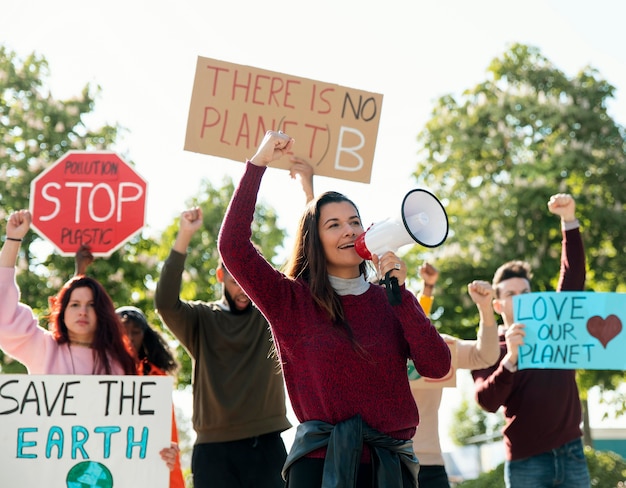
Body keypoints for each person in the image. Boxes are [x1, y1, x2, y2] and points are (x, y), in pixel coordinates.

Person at [217, 130, 452, 488]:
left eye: (355, 221)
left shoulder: (391, 300)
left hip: (390, 467)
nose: (349, 231)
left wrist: (402, 296)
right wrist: (258, 163)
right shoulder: (291, 300)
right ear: (315, 239)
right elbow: (233, 246)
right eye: (334, 224)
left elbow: (437, 365)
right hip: (320, 468)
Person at [0, 210, 178, 473]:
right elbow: (4, 314)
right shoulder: (42, 347)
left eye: (91, 305)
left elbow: (133, 435)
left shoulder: (120, 363)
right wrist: (13, 241)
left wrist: (163, 453)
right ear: (63, 311)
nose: (82, 311)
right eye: (74, 304)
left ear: (102, 313)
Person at [471, 193, 591, 488]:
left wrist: (569, 221)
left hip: (572, 452)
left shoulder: (554, 326)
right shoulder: (488, 345)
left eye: (526, 293)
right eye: (511, 295)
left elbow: (572, 279)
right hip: (526, 462)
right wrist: (511, 359)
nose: (520, 300)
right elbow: (486, 400)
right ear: (498, 305)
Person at [74, 244, 186, 487]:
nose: (129, 337)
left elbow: (167, 438)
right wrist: (80, 272)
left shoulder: (156, 380)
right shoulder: (95, 367)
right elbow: (72, 324)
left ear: (145, 338)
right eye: (123, 331)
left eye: (135, 332)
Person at [410, 263, 500, 488]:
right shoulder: (370, 351)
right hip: (383, 462)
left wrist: (486, 309)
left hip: (430, 465)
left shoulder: (440, 347)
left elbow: (485, 356)